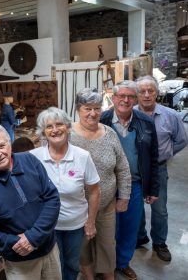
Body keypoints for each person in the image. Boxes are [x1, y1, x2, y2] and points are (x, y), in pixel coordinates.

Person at [0, 123, 61, 280]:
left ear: (9, 143)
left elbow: (52, 198)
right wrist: (15, 242)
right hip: (19, 260)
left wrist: (33, 237)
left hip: (49, 250)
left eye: (1, 145)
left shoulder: (30, 161)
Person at [30, 107, 100, 280]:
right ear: (43, 133)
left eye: (59, 124)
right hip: (47, 227)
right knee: (53, 267)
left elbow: (94, 191)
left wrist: (90, 222)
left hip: (75, 225)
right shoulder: (33, 158)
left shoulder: (82, 156)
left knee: (71, 264)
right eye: (49, 127)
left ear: (68, 127)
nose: (55, 130)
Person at [100, 80, 159, 280]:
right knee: (108, 229)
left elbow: (153, 157)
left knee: (129, 227)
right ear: (113, 98)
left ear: (135, 99)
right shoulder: (102, 120)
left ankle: (123, 263)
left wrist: (153, 188)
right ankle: (106, 266)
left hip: (134, 185)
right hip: (107, 184)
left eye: (131, 96)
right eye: (121, 96)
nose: (126, 100)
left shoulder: (145, 121)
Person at [70, 88, 132, 280]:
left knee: (107, 245)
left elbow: (122, 167)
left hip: (106, 205)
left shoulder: (110, 134)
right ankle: (89, 277)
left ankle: (108, 277)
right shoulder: (67, 135)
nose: (93, 113)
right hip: (77, 208)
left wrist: (124, 196)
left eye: (97, 108)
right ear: (78, 109)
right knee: (82, 248)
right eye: (87, 108)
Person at [134, 76, 187, 262]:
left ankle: (159, 242)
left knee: (159, 209)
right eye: (142, 91)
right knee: (135, 206)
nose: (147, 95)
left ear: (157, 92)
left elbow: (181, 140)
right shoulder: (129, 114)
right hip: (135, 169)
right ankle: (139, 237)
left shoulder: (170, 115)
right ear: (137, 94)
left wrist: (166, 154)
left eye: (151, 91)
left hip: (158, 169)